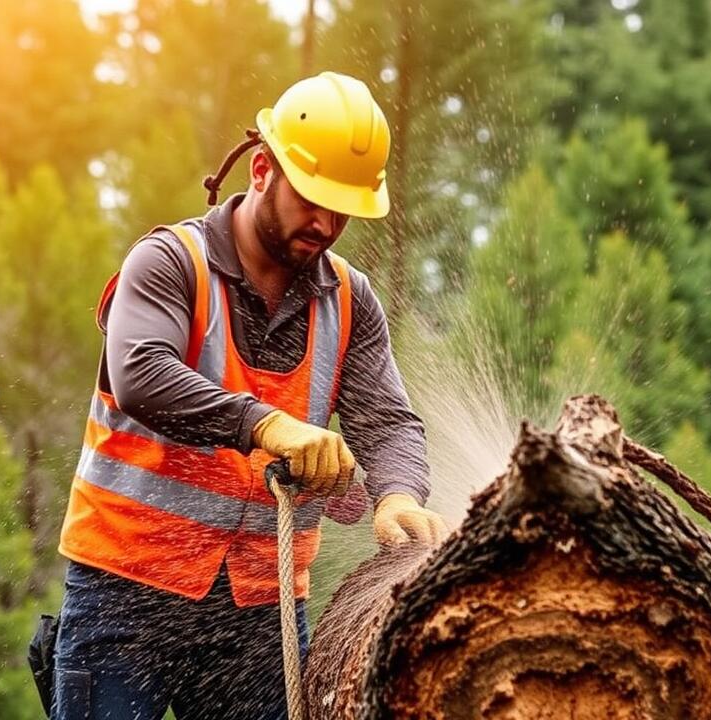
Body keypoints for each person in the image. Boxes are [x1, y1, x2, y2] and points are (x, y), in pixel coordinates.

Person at [47, 71, 446, 719]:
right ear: (263, 169)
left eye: (342, 208)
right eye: (312, 198)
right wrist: (268, 426)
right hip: (126, 593)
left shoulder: (351, 301)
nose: (326, 222)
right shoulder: (170, 263)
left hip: (258, 614)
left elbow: (390, 422)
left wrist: (399, 492)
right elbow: (140, 372)